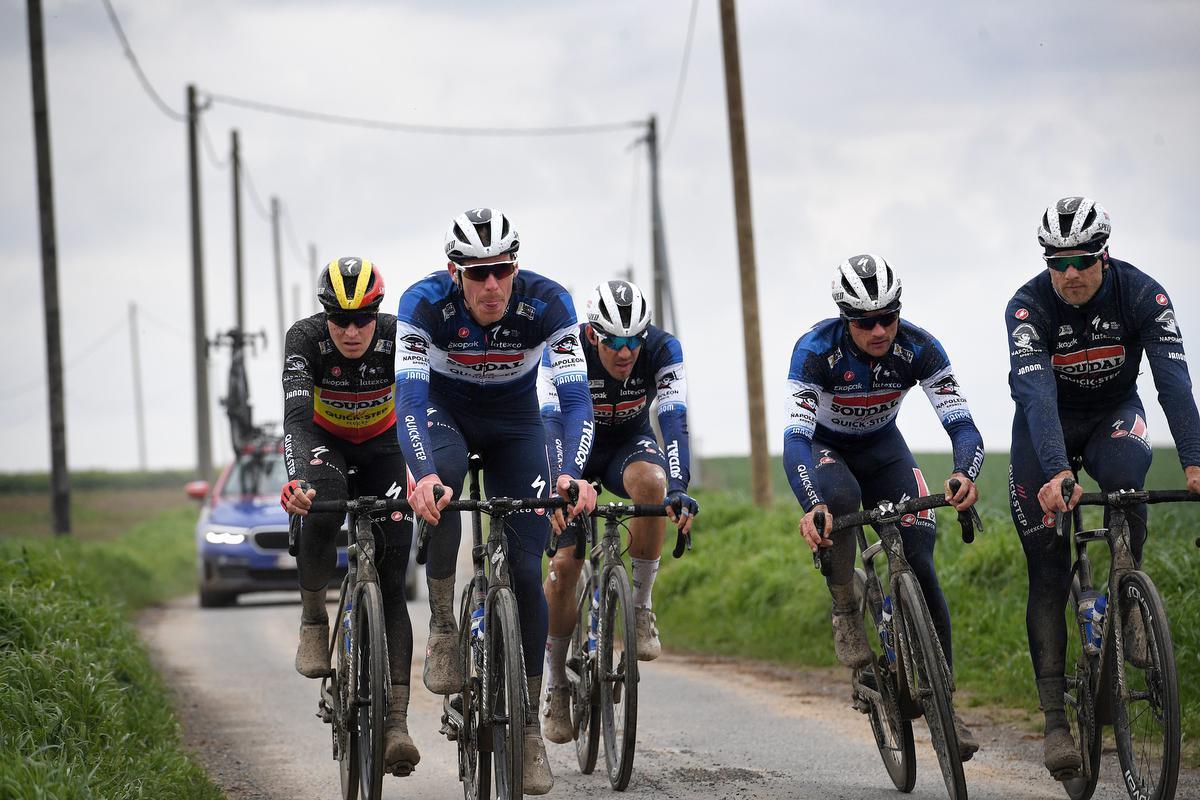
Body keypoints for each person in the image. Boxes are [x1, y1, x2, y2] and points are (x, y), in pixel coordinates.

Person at [394, 208, 597, 794]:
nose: (490, 285)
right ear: (454, 271)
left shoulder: (550, 304)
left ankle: (529, 726)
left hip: (515, 425)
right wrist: (424, 473)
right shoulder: (424, 304)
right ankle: (443, 626)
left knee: (529, 575)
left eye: (501, 271)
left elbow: (576, 400)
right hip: (444, 415)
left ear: (515, 267)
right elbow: (407, 402)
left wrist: (572, 475)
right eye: (477, 272)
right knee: (447, 481)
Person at [1005, 196, 1200, 780]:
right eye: (1055, 262)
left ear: (1104, 255)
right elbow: (1036, 395)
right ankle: (1056, 722)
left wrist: (1194, 461)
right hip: (1048, 426)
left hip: (1115, 412)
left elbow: (1172, 378)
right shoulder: (1026, 306)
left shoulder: (1144, 294)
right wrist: (1055, 470)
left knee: (1123, 483)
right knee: (1046, 568)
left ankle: (1125, 586)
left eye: (1081, 260)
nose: (1068, 274)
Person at [786, 254, 985, 761]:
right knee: (841, 502)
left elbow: (962, 424)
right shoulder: (815, 352)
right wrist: (812, 505)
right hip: (826, 449)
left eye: (887, 317)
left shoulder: (919, 346)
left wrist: (965, 470)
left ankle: (945, 702)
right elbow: (795, 439)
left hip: (883, 449)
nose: (878, 330)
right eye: (864, 321)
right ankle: (846, 606)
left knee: (920, 557)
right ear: (844, 318)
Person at [537, 279, 699, 743]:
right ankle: (556, 682)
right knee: (565, 566)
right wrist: (565, 480)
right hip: (570, 445)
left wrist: (679, 486)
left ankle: (642, 605)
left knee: (653, 485)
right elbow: (554, 420)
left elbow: (673, 418)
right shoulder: (566, 348)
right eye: (615, 341)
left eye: (635, 340)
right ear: (593, 335)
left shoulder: (663, 349)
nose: (626, 351)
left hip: (628, 443)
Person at [279, 257, 420, 774]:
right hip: (323, 443)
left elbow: (415, 407)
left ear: (377, 312)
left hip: (383, 444)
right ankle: (314, 617)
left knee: (391, 578)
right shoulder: (305, 339)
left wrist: (421, 472)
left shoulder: (399, 336)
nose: (352, 330)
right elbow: (294, 420)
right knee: (319, 510)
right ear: (325, 315)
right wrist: (297, 482)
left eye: (363, 317)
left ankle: (397, 724)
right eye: (340, 318)